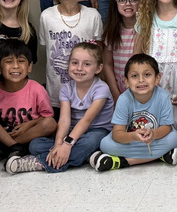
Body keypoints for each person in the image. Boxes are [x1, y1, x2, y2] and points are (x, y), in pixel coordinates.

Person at [9, 42, 114, 174]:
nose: (79, 68)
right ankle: (86, 156)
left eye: (87, 64)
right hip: (73, 134)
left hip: (97, 132)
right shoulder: (66, 89)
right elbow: (64, 120)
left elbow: (86, 121)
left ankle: (40, 163)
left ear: (98, 68)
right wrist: (59, 144)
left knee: (90, 141)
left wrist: (68, 144)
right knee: (35, 145)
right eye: (74, 63)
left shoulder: (101, 88)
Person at [89, 54, 177, 171]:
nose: (141, 80)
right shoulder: (124, 99)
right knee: (105, 144)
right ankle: (160, 155)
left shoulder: (163, 96)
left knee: (175, 137)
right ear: (126, 81)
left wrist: (153, 134)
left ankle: (123, 162)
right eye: (134, 76)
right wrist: (133, 136)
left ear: (157, 78)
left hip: (155, 138)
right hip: (132, 140)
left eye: (147, 75)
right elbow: (117, 133)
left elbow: (166, 128)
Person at [37, 0, 103, 105]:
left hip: (86, 93)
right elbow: (47, 47)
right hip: (56, 93)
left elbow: (99, 50)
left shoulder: (93, 16)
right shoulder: (47, 17)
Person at [0, 39, 56, 167]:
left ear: (29, 66)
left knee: (50, 123)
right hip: (2, 135)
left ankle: (7, 147)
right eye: (8, 62)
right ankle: (11, 146)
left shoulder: (36, 89)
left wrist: (29, 124)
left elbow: (47, 118)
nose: (16, 66)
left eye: (21, 61)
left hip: (29, 136)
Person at [101, 0, 140, 103]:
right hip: (120, 87)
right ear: (115, 4)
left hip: (142, 87)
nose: (128, 4)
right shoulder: (111, 31)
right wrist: (115, 93)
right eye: (122, 0)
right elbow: (107, 64)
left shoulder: (146, 30)